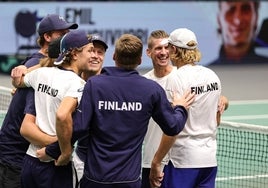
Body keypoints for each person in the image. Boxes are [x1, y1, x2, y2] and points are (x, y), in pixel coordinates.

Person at [56, 33, 195, 188]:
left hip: (95, 179)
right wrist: (181, 107)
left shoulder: (94, 85)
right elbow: (173, 126)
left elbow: (79, 129)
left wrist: (53, 150)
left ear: (114, 56)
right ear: (140, 60)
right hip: (129, 181)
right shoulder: (151, 90)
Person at [141, 30, 229, 188]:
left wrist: (156, 161)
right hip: (209, 162)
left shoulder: (176, 78)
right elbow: (216, 120)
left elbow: (173, 128)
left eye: (168, 47)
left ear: (174, 50)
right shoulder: (212, 75)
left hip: (182, 161)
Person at [0, 13, 77, 188]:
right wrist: (64, 146)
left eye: (68, 33)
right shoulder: (38, 65)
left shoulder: (43, 67)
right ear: (47, 37)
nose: (67, 37)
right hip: (15, 157)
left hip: (21, 155)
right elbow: (27, 127)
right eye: (61, 33)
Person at [11, 29, 94, 188]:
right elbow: (63, 116)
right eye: (89, 50)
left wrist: (19, 77)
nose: (92, 55)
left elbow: (18, 81)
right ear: (75, 54)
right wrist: (64, 152)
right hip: (55, 165)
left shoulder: (41, 74)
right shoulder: (78, 85)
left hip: (30, 161)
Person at [209, 0, 268, 65]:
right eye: (231, 10)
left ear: (256, 18)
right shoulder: (204, 74)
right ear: (219, 20)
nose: (238, 21)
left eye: (245, 9)